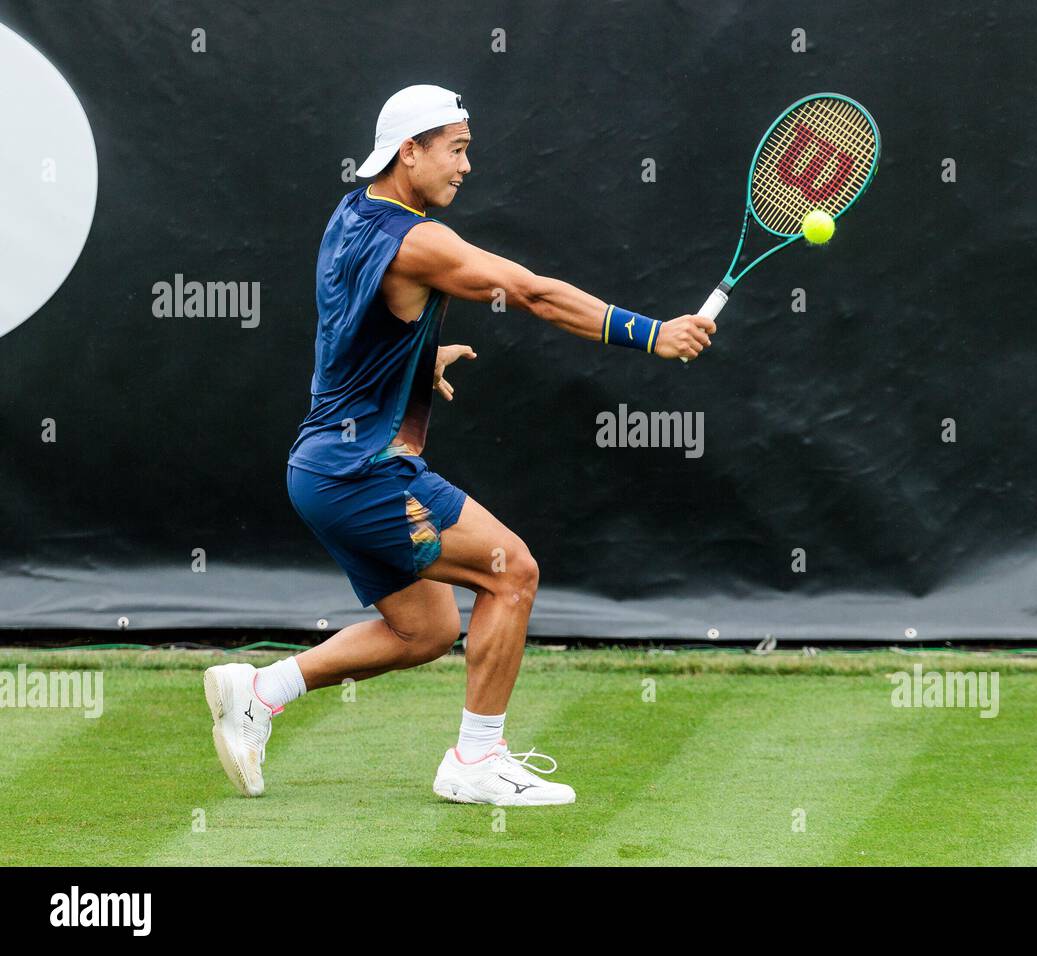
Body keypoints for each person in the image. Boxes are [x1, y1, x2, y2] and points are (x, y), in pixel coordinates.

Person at [203, 84, 716, 806]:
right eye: (457, 149)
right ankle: (476, 763)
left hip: (321, 467)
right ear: (408, 151)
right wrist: (653, 333)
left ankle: (261, 690)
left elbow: (351, 328)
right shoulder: (422, 241)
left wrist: (416, 361)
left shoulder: (351, 217)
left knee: (426, 629)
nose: (467, 166)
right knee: (514, 574)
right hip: (364, 473)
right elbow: (530, 291)